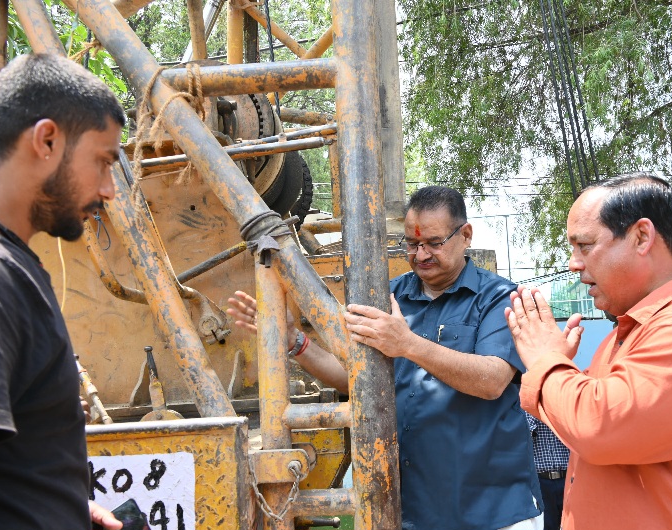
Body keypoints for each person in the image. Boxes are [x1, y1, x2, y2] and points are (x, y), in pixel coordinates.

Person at [229, 186, 544, 529]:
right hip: (412, 509)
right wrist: (296, 342)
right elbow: (353, 375)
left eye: (434, 243)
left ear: (465, 235)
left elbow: (493, 381)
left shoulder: (499, 298)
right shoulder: (387, 296)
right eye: (411, 243)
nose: (421, 254)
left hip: (492, 510)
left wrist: (407, 344)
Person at [504, 173, 672, 529]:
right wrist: (558, 370)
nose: (574, 263)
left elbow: (598, 426)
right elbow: (589, 415)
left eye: (584, 245)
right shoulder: (633, 331)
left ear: (641, 237)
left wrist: (547, 361)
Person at [0, 53, 126, 530]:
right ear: (47, 139)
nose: (109, 188)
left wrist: (51, 503)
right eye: (102, 161)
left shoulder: (1, 261)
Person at [525, 413, 569, 530]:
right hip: (541, 482)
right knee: (546, 525)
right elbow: (525, 436)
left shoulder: (559, 405)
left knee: (572, 523)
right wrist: (535, 409)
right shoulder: (524, 408)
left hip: (568, 478)